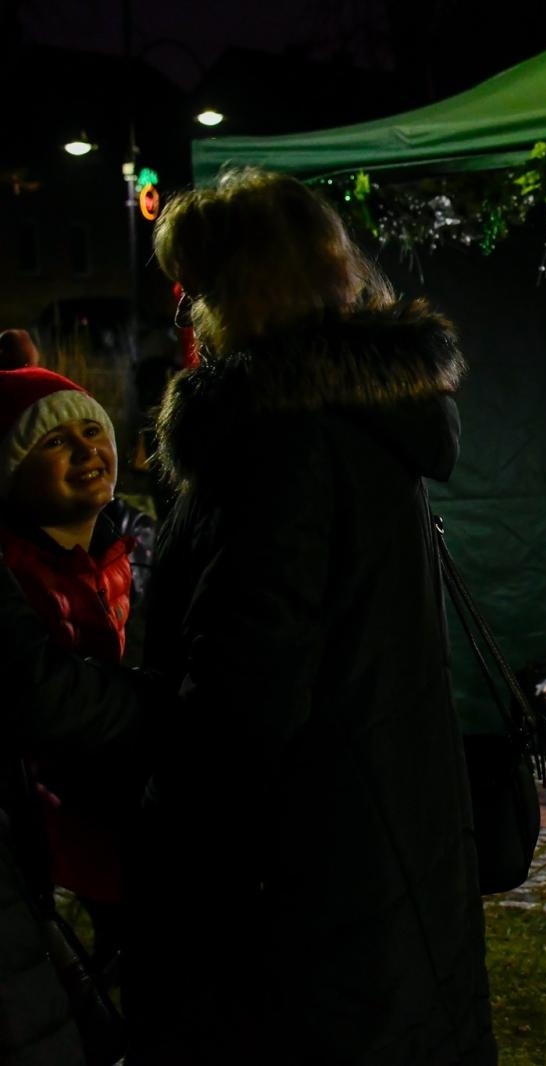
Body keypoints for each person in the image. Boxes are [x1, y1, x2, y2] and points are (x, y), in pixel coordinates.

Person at [3, 167, 494, 1064]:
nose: (186, 309)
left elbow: (237, 715)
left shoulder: (278, 446)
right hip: (376, 883)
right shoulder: (361, 422)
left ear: (238, 291)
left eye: (195, 285)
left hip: (289, 909)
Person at [0, 367, 140, 979]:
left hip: (130, 819)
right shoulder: (14, 575)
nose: (86, 450)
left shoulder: (136, 550)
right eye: (55, 441)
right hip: (54, 839)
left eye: (92, 431)